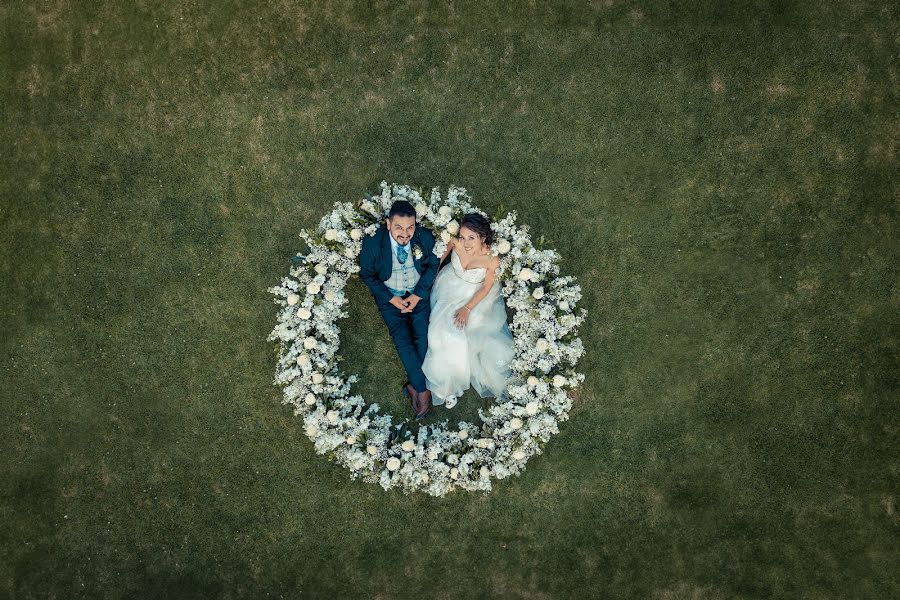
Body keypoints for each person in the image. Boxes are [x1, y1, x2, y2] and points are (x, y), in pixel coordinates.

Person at [421, 213, 514, 408]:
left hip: (474, 296)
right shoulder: (455, 243)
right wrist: (430, 279)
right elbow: (439, 260)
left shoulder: (491, 260)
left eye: (471, 238)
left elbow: (486, 288)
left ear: (483, 238)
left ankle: (451, 383)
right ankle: (447, 384)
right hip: (449, 287)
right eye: (463, 237)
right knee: (437, 333)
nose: (465, 242)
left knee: (461, 333)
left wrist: (467, 308)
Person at [359, 200, 440, 419]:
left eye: (410, 227)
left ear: (415, 225)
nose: (405, 234)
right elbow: (367, 274)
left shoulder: (423, 237)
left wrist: (417, 295)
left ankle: (418, 387)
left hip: (418, 295)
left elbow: (433, 263)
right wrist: (391, 299)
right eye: (399, 227)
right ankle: (423, 391)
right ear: (388, 224)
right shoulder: (374, 242)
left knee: (423, 339)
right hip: (390, 298)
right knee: (402, 340)